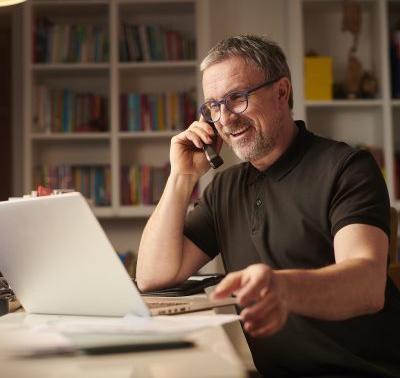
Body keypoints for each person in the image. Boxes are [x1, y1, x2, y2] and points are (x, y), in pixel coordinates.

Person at [136, 34, 400, 377]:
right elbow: (153, 278)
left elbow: (367, 285)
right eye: (213, 106)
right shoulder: (225, 187)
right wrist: (181, 178)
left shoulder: (346, 168)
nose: (225, 119)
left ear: (282, 92)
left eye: (237, 98)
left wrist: (284, 289)